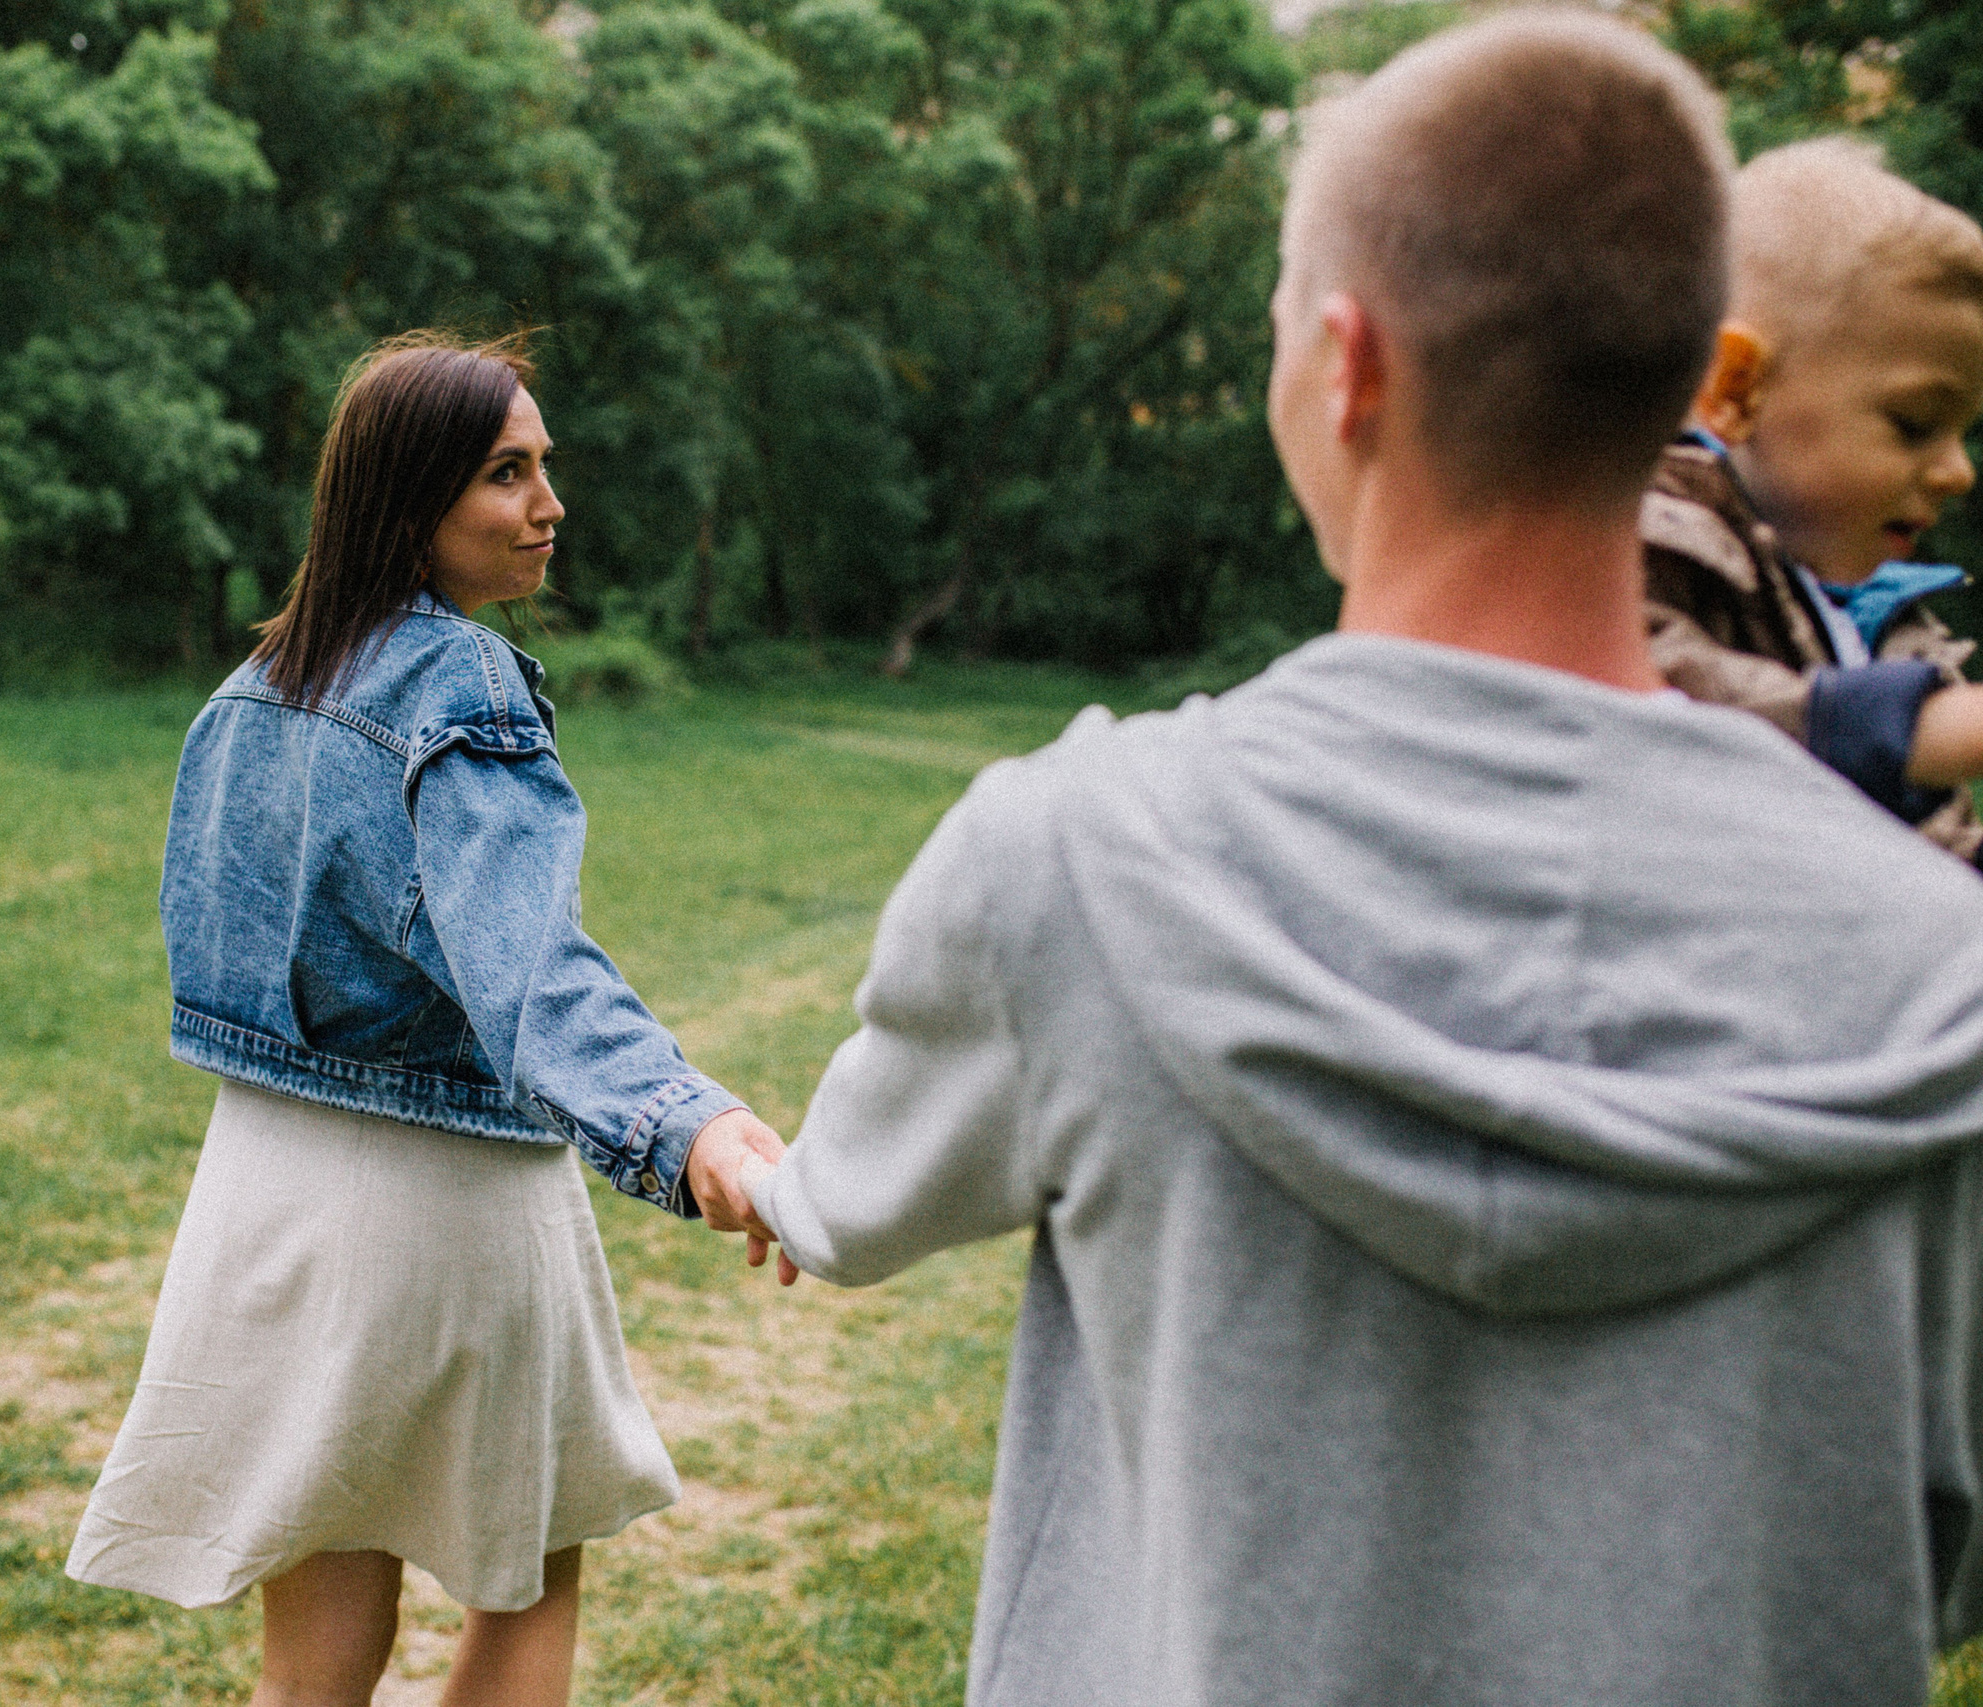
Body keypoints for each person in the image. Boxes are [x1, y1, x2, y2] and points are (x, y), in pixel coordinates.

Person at [736, 15, 1983, 1706]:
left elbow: (845, 1201)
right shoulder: (1943, 967)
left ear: (1347, 364)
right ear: (1706, 384)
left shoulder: (1069, 863)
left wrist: (744, 1162)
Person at [65, 330, 785, 1707]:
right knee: (525, 1589)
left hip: (264, 1198)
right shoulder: (462, 682)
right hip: (443, 1199)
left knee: (313, 1652)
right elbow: (532, 973)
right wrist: (687, 1125)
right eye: (506, 472)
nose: (548, 504)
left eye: (543, 467)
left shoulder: (249, 691)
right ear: (409, 499)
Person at [1645, 135, 1983, 859]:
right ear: (1735, 388)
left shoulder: (1883, 621)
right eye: (1915, 423)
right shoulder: (1647, 539)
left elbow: (1941, 854)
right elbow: (1651, 708)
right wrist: (1914, 729)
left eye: (1964, 432)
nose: (1959, 471)